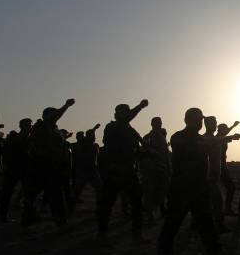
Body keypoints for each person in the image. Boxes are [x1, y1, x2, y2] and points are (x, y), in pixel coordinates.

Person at [158, 108, 240, 255]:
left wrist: (227, 137)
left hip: (199, 186)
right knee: (174, 220)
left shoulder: (200, 138)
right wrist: (224, 138)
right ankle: (164, 250)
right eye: (197, 120)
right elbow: (199, 146)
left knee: (205, 220)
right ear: (187, 120)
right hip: (181, 187)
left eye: (200, 120)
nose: (199, 123)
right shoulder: (178, 137)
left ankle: (214, 250)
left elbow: (212, 140)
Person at [97, 100, 149, 244]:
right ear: (117, 114)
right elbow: (111, 149)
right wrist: (139, 107)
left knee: (137, 204)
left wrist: (144, 154)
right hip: (115, 171)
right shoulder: (112, 127)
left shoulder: (130, 129)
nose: (128, 114)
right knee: (107, 204)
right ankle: (102, 235)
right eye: (124, 112)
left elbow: (136, 150)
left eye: (127, 111)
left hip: (129, 171)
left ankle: (137, 235)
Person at [23, 100, 75, 229]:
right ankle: (27, 220)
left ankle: (61, 223)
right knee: (31, 196)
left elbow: (61, 149)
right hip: (39, 167)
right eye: (52, 114)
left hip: (53, 168)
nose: (56, 116)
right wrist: (66, 106)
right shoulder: (41, 126)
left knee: (56, 197)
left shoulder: (55, 130)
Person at [139, 117, 171, 224]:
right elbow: (143, 153)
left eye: (160, 123)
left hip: (161, 169)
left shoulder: (161, 137)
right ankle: (149, 214)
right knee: (151, 193)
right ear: (152, 124)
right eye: (157, 123)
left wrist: (168, 168)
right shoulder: (148, 137)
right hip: (152, 169)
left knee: (161, 193)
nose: (159, 124)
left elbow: (166, 154)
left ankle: (151, 211)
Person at [0, 118, 32, 222]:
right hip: (12, 168)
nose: (29, 127)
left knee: (28, 194)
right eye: (27, 125)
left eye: (29, 125)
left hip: (26, 169)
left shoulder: (31, 138)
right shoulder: (13, 135)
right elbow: (13, 144)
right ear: (21, 126)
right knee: (7, 193)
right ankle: (3, 216)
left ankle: (27, 217)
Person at [72, 124, 103, 210]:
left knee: (99, 189)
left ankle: (100, 206)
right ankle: (71, 207)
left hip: (90, 170)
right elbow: (90, 137)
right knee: (77, 190)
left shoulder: (89, 144)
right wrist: (94, 129)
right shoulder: (82, 144)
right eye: (80, 136)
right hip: (84, 170)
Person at [217, 121, 239, 216]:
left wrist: (233, 126)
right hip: (219, 167)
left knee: (230, 188)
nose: (226, 131)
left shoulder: (221, 137)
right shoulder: (218, 139)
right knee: (230, 188)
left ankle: (226, 209)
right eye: (225, 129)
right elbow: (226, 135)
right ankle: (226, 209)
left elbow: (226, 133)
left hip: (221, 166)